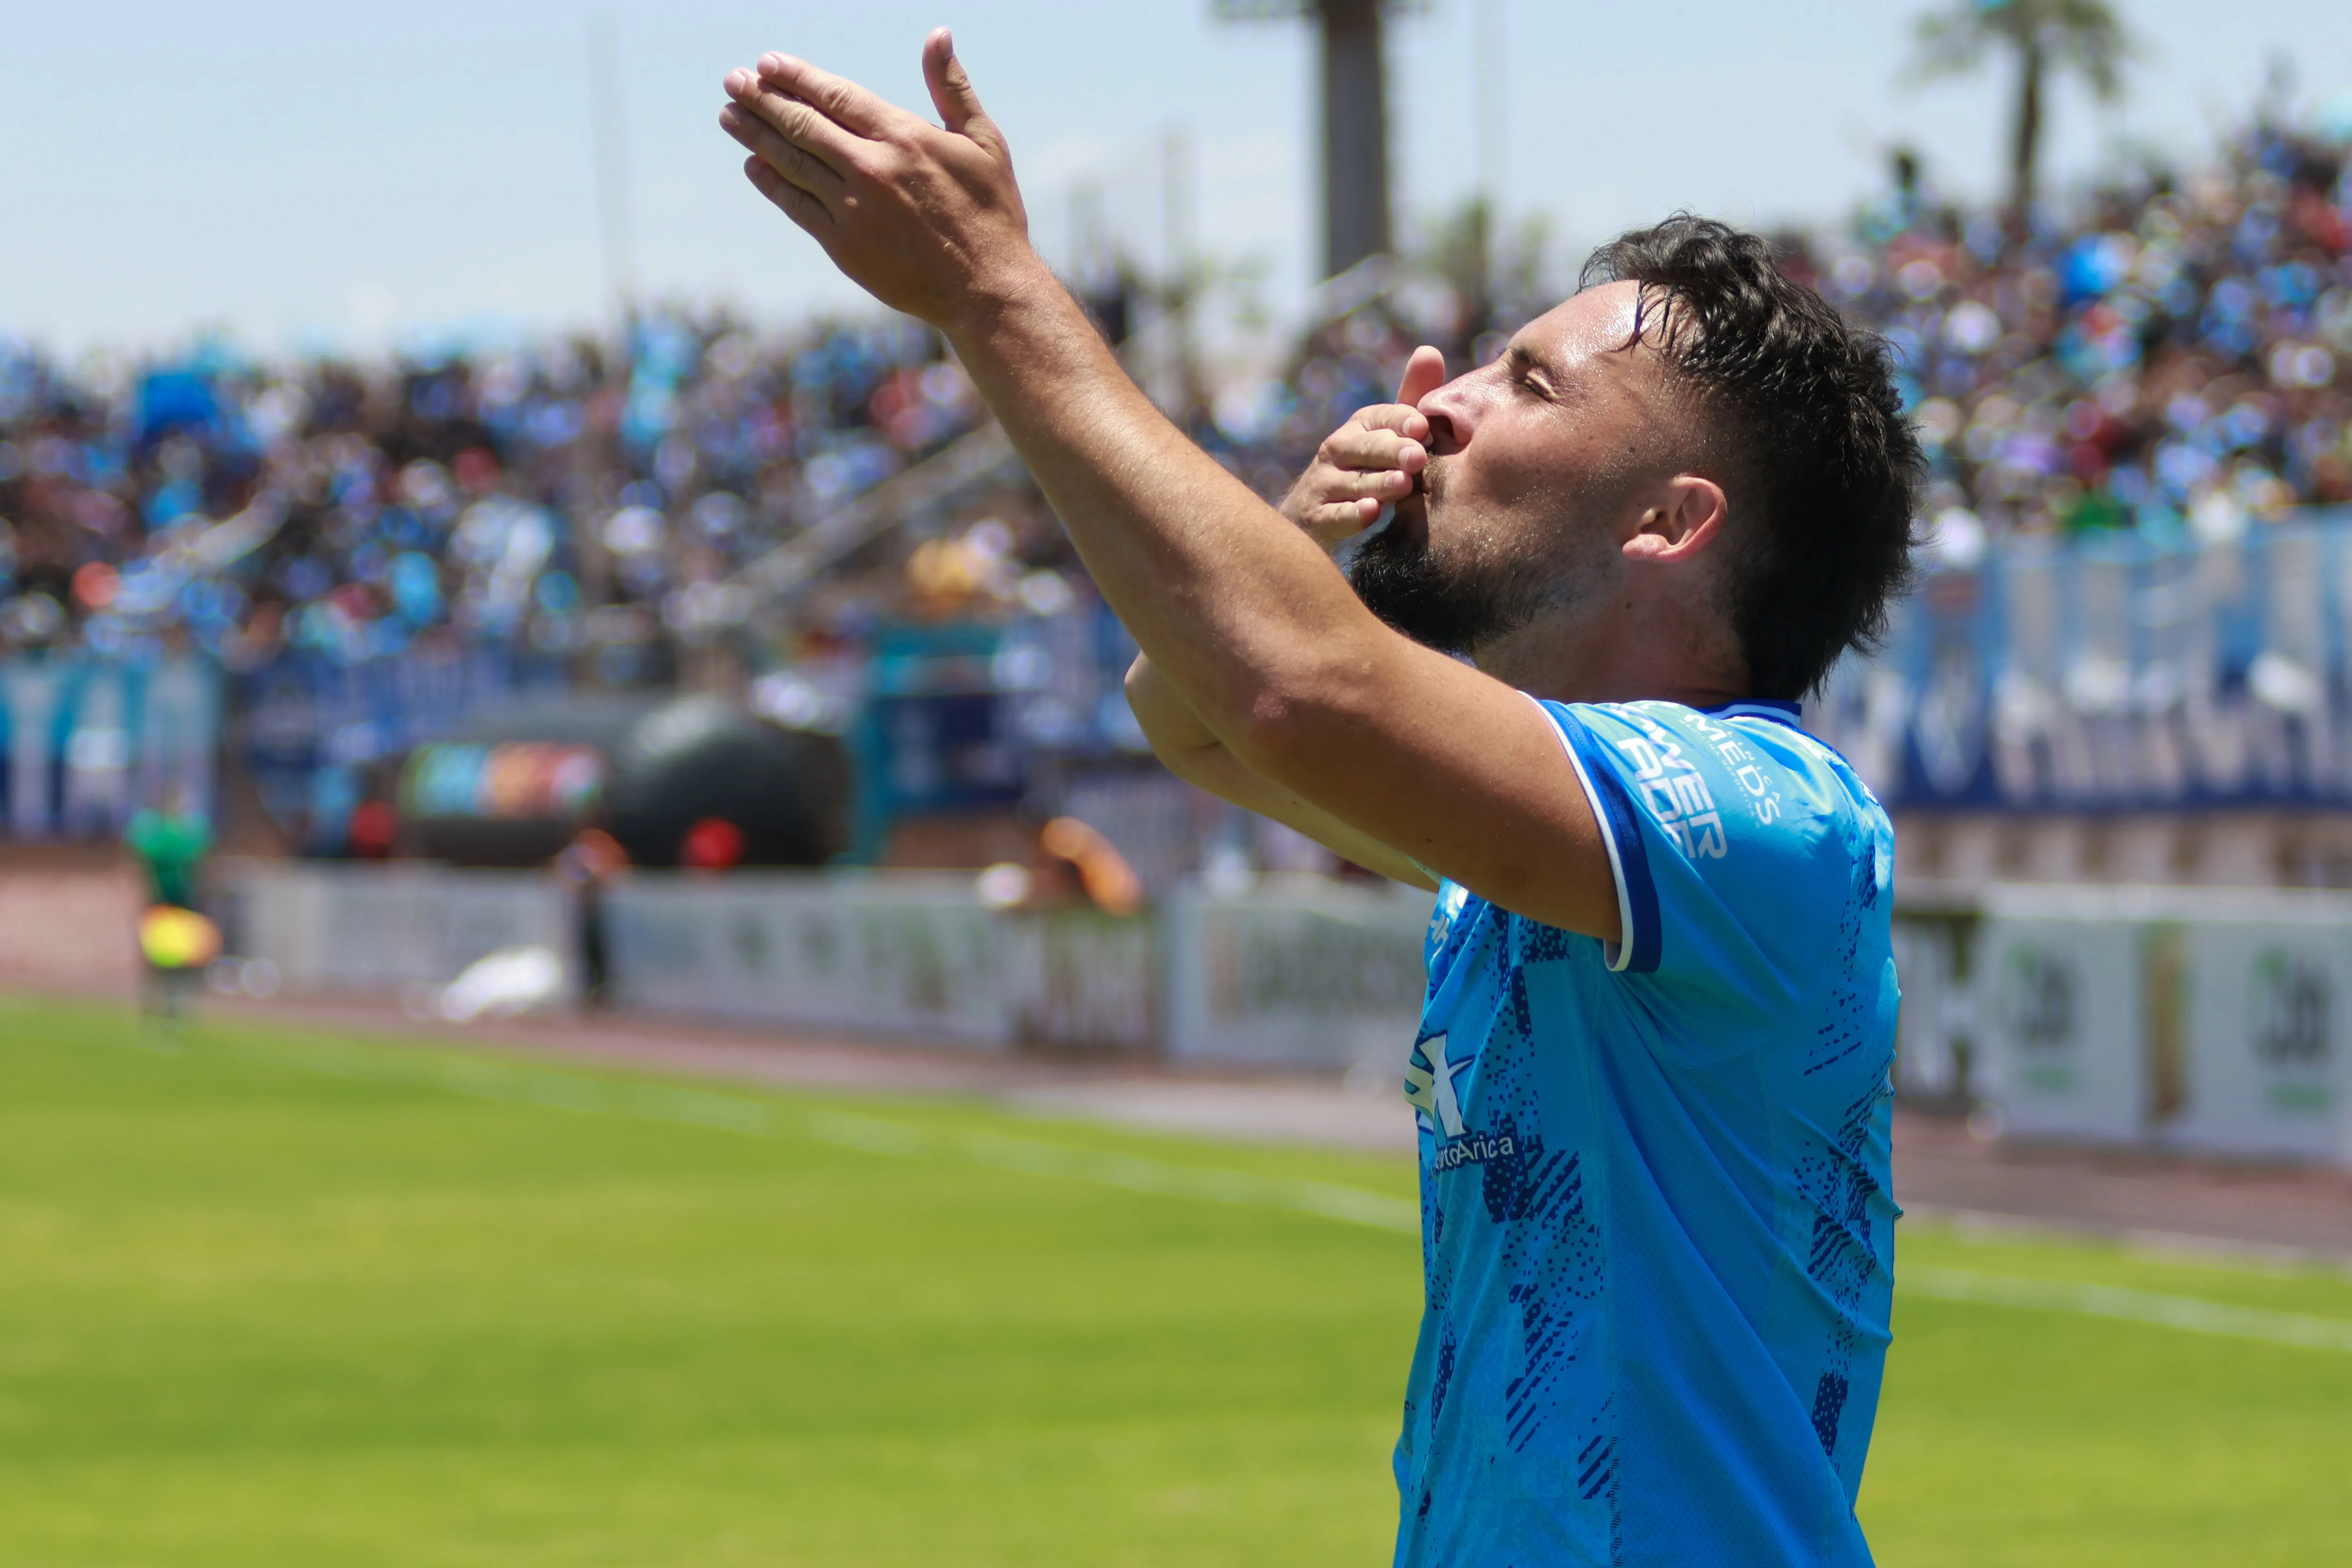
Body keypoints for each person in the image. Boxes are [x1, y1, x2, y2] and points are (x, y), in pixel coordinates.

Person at [720, 33, 1919, 1565]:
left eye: (1530, 383)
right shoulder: (1544, 861)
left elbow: (1292, 695)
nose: (1443, 401)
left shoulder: (1767, 821)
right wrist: (1296, 539)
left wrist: (994, 293)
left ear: (1669, 522)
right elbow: (1210, 727)